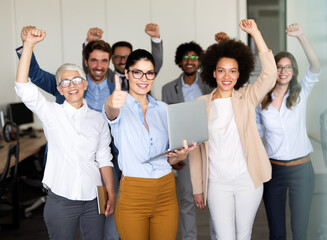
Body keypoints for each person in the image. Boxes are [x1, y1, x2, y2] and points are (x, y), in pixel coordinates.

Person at [15, 28, 115, 240]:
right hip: (61, 199)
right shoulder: (51, 113)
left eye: (77, 80)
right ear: (59, 89)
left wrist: (111, 193)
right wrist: (29, 45)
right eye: (65, 82)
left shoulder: (98, 119)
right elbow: (23, 86)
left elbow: (104, 159)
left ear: (85, 84)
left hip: (94, 197)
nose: (72, 86)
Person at [189, 19, 277, 240]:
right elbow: (196, 152)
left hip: (247, 179)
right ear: (214, 73)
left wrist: (256, 33)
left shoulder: (247, 97)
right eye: (221, 71)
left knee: (243, 234)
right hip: (217, 182)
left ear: (239, 74)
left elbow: (270, 74)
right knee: (224, 236)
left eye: (232, 71)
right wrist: (197, 187)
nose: (227, 77)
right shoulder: (200, 104)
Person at [103, 49, 196, 240]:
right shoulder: (119, 106)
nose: (143, 78)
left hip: (166, 190)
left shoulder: (163, 109)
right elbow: (110, 112)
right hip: (133, 193)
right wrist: (112, 101)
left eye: (149, 73)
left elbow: (169, 159)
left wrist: (182, 154)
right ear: (127, 74)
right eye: (137, 72)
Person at [256, 23, 321, 240]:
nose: (283, 71)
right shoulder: (261, 101)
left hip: (301, 170)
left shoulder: (300, 94)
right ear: (274, 70)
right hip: (273, 171)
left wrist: (301, 36)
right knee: (276, 232)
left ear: (293, 72)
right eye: (279, 67)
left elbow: (315, 65)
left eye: (288, 67)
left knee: (300, 230)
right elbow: (256, 136)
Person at [162, 37, 226, 240]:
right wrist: (173, 156)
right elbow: (166, 123)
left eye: (194, 57)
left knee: (214, 199)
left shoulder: (210, 85)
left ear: (200, 61)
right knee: (187, 200)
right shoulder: (168, 88)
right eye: (185, 57)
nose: (190, 60)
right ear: (179, 61)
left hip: (210, 148)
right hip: (184, 151)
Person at [83, 24, 163, 90]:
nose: (123, 61)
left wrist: (155, 38)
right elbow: (90, 67)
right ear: (112, 59)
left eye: (126, 57)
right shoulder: (106, 75)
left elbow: (156, 63)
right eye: (118, 57)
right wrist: (90, 42)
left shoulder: (140, 74)